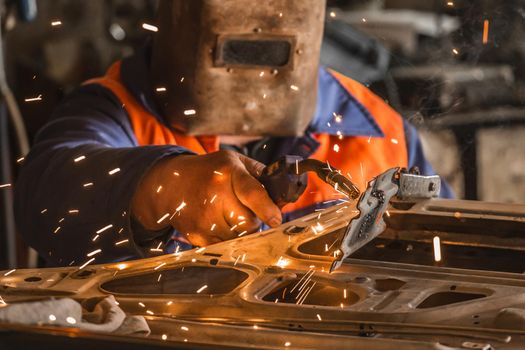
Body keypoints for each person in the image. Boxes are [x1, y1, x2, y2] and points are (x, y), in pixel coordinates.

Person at [14, 0, 452, 267]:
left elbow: (447, 243)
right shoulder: (115, 110)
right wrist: (165, 188)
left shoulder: (375, 127)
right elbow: (42, 197)